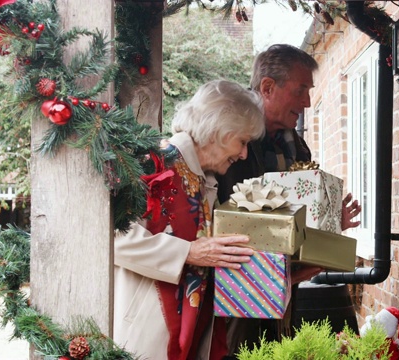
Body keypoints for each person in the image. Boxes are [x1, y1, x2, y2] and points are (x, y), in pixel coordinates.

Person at [215, 44, 362, 357]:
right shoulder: (225, 130)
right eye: (301, 90)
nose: (307, 101)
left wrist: (329, 225)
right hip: (232, 300)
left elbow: (296, 224)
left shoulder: (297, 147)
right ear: (268, 87)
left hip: (280, 298)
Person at [113, 80, 265, 360]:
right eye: (242, 142)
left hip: (194, 330)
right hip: (146, 334)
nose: (244, 154)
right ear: (218, 130)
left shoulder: (205, 181)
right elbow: (114, 238)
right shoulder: (155, 162)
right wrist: (189, 252)